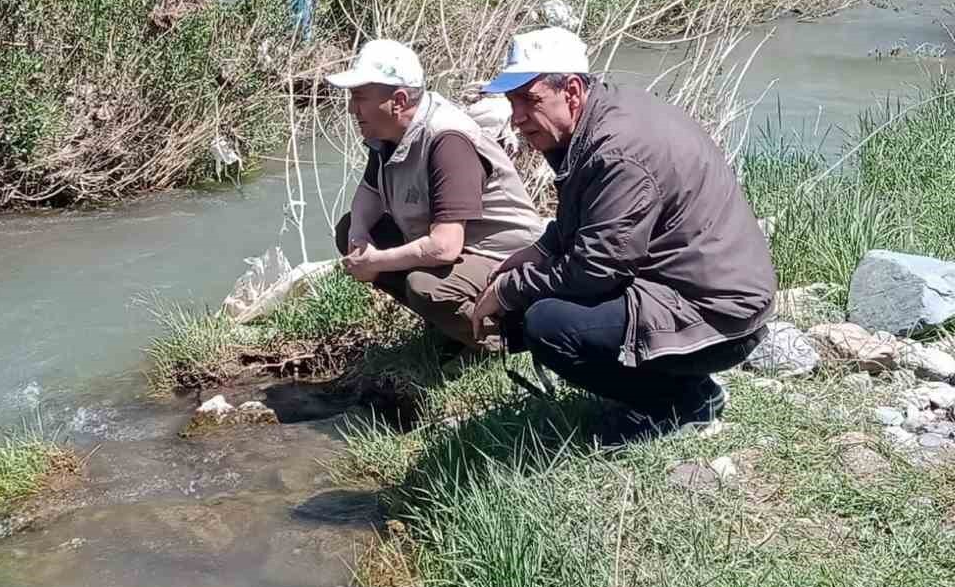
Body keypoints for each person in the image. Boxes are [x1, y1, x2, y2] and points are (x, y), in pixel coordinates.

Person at [470, 27, 777, 444]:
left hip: (720, 316)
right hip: (695, 286)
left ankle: (684, 403)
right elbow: (593, 218)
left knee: (546, 323)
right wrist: (538, 252)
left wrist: (510, 291)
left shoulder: (616, 150)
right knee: (532, 300)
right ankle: (668, 387)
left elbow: (596, 269)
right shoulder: (599, 117)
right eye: (512, 101)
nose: (517, 116)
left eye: (530, 99)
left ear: (572, 91)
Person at [325, 39, 547, 351]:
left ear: (398, 100)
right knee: (349, 229)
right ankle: (451, 326)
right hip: (458, 249)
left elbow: (444, 247)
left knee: (426, 287)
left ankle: (509, 341)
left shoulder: (447, 140)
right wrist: (361, 237)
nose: (352, 108)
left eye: (359, 97)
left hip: (504, 257)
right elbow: (370, 190)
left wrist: (376, 261)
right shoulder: (388, 132)